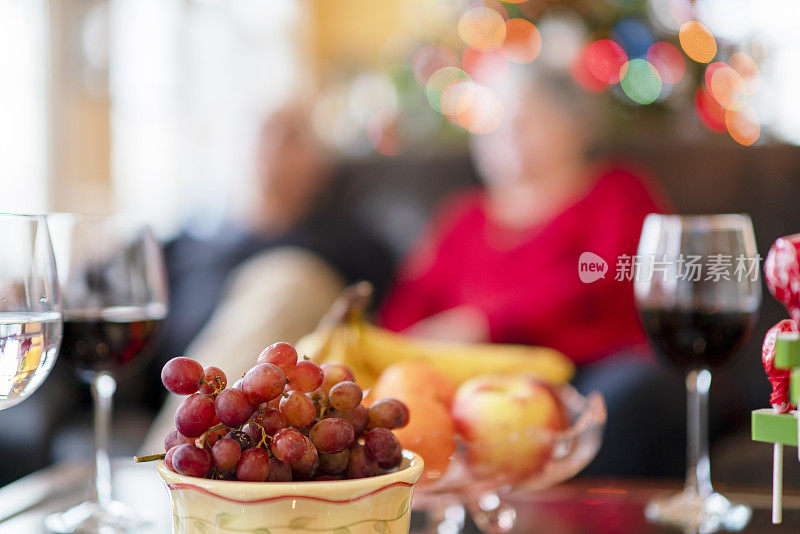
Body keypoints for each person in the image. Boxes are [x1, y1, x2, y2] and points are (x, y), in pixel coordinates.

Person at [379, 67, 684, 476]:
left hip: (590, 373)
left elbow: (599, 277)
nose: (506, 133)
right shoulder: (462, 217)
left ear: (576, 126)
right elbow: (408, 309)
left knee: (628, 397)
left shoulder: (616, 191)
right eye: (493, 123)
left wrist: (486, 324)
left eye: (526, 118)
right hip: (469, 384)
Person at [139, 102, 392, 451]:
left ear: (319, 166)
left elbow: (384, 332)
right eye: (259, 133)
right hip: (195, 413)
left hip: (288, 412)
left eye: (290, 138)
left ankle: (175, 463)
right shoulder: (184, 246)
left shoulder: (351, 243)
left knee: (289, 279)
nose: (270, 148)